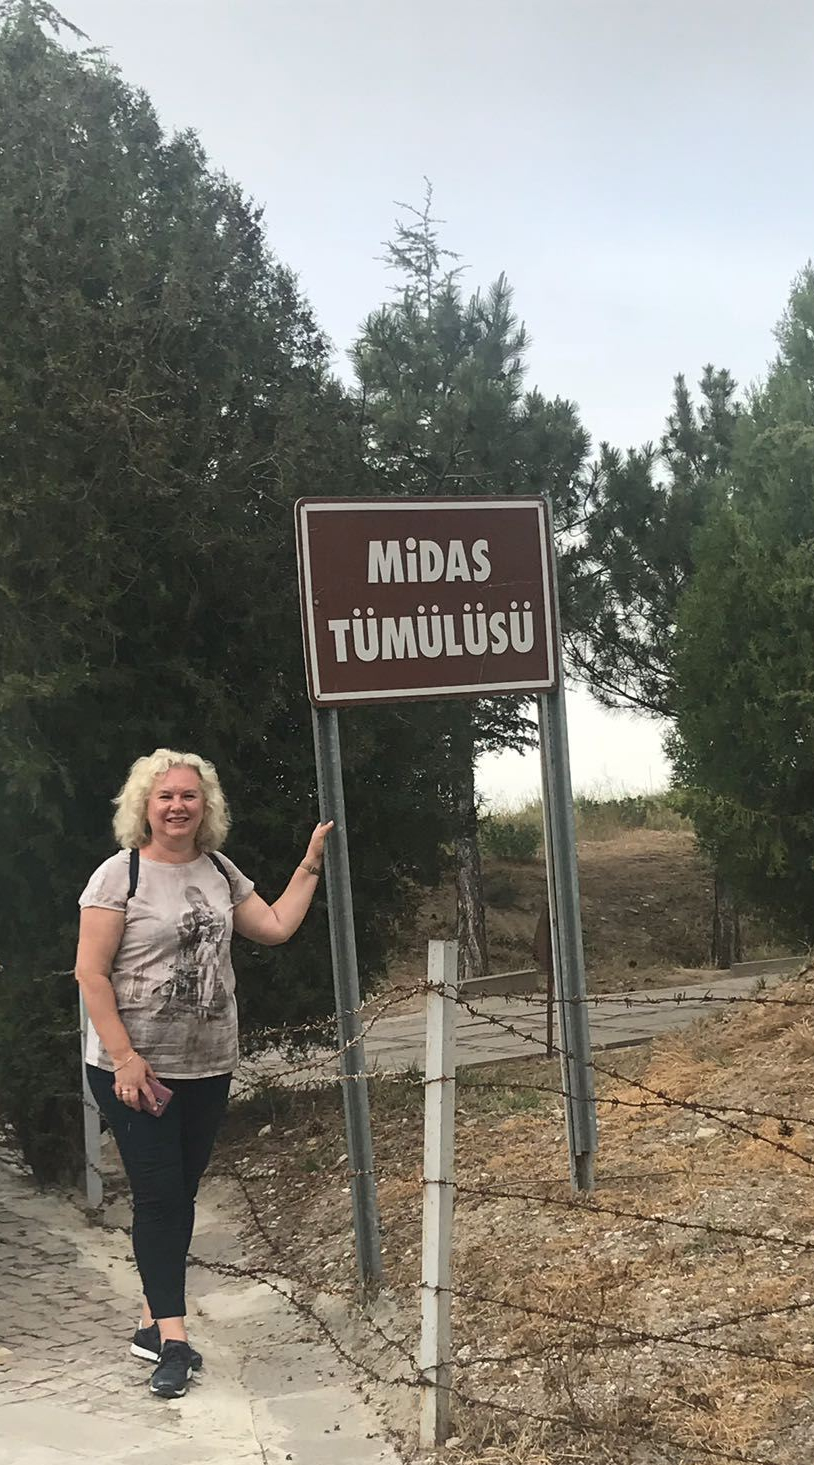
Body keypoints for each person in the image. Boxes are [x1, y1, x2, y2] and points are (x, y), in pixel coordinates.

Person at [75, 748, 332, 1398]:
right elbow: (91, 974)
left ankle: (149, 1320)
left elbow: (274, 926)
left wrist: (309, 865)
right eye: (165, 796)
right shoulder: (119, 876)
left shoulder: (219, 869)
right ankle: (174, 1341)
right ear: (145, 805)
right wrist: (125, 1057)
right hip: (133, 1069)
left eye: (189, 795)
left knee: (179, 1195)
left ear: (205, 804)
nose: (178, 806)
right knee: (160, 1198)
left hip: (208, 1065)